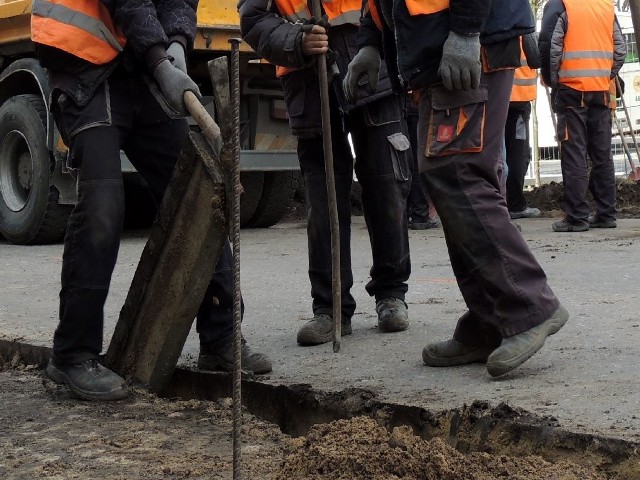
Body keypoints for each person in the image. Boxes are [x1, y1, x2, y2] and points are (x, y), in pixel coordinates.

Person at [31, 0, 271, 401]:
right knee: (104, 206)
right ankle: (72, 354)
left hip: (134, 63)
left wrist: (176, 43)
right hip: (83, 63)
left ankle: (221, 337)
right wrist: (160, 61)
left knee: (201, 190)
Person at [351, 0, 568, 377]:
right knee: (446, 175)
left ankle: (528, 307)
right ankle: (491, 320)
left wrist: (467, 29)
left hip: (469, 41)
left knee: (458, 172)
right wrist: (371, 41)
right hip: (439, 49)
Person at [239, 0, 412, 346]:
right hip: (308, 81)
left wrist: (377, 44)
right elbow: (253, 18)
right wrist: (296, 40)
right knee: (323, 199)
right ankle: (330, 308)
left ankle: (391, 294)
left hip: (370, 66)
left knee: (386, 185)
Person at [539, 0, 625, 232]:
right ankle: (606, 214)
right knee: (602, 154)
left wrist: (553, 82)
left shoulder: (560, 5)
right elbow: (620, 48)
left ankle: (576, 217)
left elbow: (549, 46)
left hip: (571, 91)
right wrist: (605, 75)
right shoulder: (605, 6)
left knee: (574, 153)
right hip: (600, 90)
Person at [506, 36, 541, 220]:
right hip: (518, 100)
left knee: (500, 153)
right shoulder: (521, 22)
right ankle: (515, 204)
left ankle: (501, 201)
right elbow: (536, 57)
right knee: (518, 154)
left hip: (497, 97)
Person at [405, 99, 440, 230]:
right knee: (416, 161)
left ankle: (405, 213)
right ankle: (419, 214)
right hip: (416, 104)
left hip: (400, 106)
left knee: (404, 161)